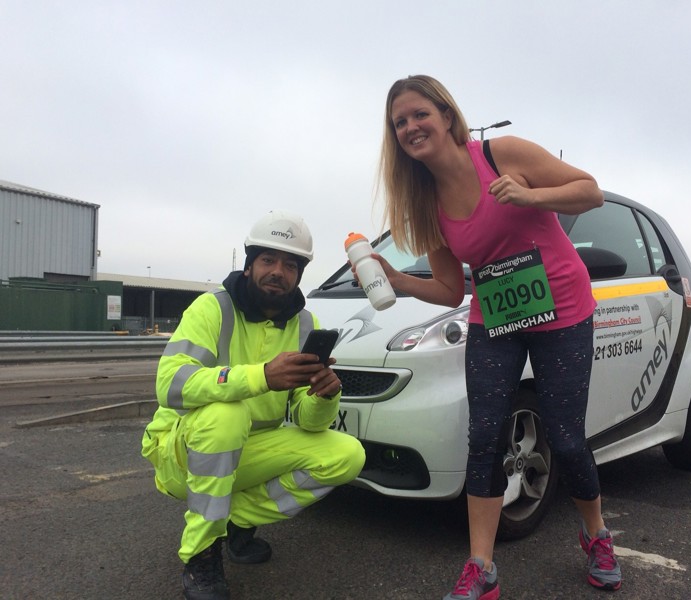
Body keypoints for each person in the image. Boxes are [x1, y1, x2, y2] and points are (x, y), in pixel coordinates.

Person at [375, 75, 622, 598]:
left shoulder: (499, 153)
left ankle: (597, 536)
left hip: (563, 309)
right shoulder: (425, 203)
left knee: (568, 436)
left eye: (420, 114)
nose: (411, 127)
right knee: (484, 436)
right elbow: (447, 290)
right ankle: (481, 567)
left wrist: (532, 194)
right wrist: (398, 281)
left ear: (445, 114)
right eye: (400, 122)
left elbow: (590, 191)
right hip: (498, 316)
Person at [141, 210, 366, 600]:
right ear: (249, 266)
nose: (278, 271)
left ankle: (233, 522)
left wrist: (325, 396)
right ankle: (201, 555)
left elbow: (309, 423)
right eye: (268, 260)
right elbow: (170, 385)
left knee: (347, 453)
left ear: (299, 274)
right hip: (183, 453)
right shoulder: (211, 308)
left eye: (290, 264)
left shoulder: (304, 324)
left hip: (247, 453)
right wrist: (261, 376)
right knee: (226, 414)